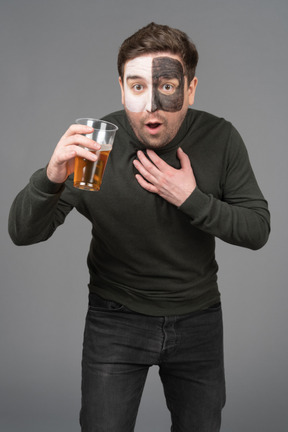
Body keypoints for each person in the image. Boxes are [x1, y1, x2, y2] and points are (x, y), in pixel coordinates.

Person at [8, 22, 270, 432]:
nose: (151, 104)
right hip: (115, 320)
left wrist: (190, 198)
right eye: (136, 87)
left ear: (191, 88)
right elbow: (23, 233)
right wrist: (53, 175)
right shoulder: (96, 145)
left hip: (198, 318)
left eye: (167, 86)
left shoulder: (221, 138)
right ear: (122, 88)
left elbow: (257, 230)